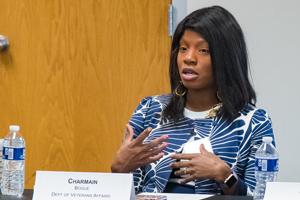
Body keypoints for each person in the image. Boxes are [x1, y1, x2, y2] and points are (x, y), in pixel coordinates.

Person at [111, 5, 276, 196]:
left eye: (203, 50)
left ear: (226, 58)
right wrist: (119, 169)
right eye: (183, 48)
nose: (189, 58)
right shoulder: (150, 109)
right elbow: (126, 192)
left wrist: (225, 175)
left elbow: (261, 196)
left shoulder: (254, 122)